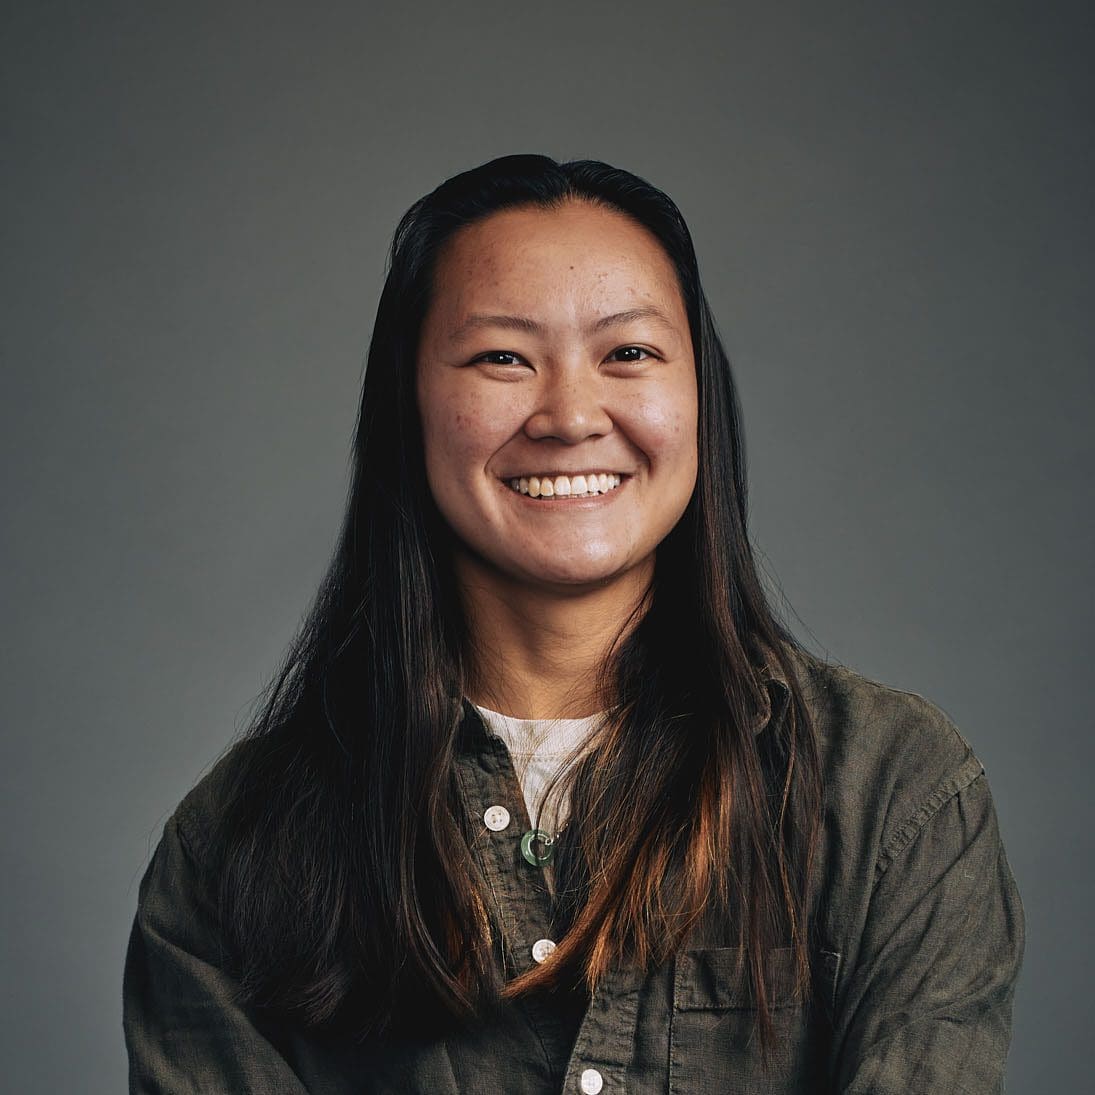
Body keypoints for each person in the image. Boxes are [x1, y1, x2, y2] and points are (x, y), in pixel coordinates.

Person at [123, 154, 1025, 1093]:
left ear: (699, 397)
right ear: (409, 405)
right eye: (502, 357)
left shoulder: (892, 791)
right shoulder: (232, 848)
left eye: (628, 352)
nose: (568, 414)